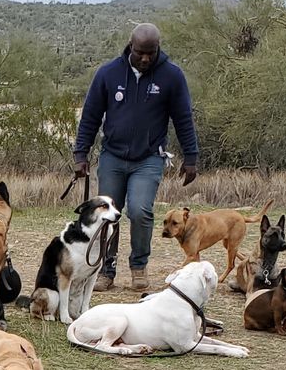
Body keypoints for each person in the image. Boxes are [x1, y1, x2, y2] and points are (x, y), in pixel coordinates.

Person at [71, 23, 200, 290]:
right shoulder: (108, 73)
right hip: (113, 156)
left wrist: (191, 157)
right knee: (108, 213)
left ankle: (138, 266)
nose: (145, 58)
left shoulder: (172, 76)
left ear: (157, 49)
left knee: (140, 210)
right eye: (140, 52)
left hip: (149, 157)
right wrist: (80, 153)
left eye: (150, 53)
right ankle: (107, 269)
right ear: (131, 46)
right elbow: (91, 116)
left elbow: (183, 118)